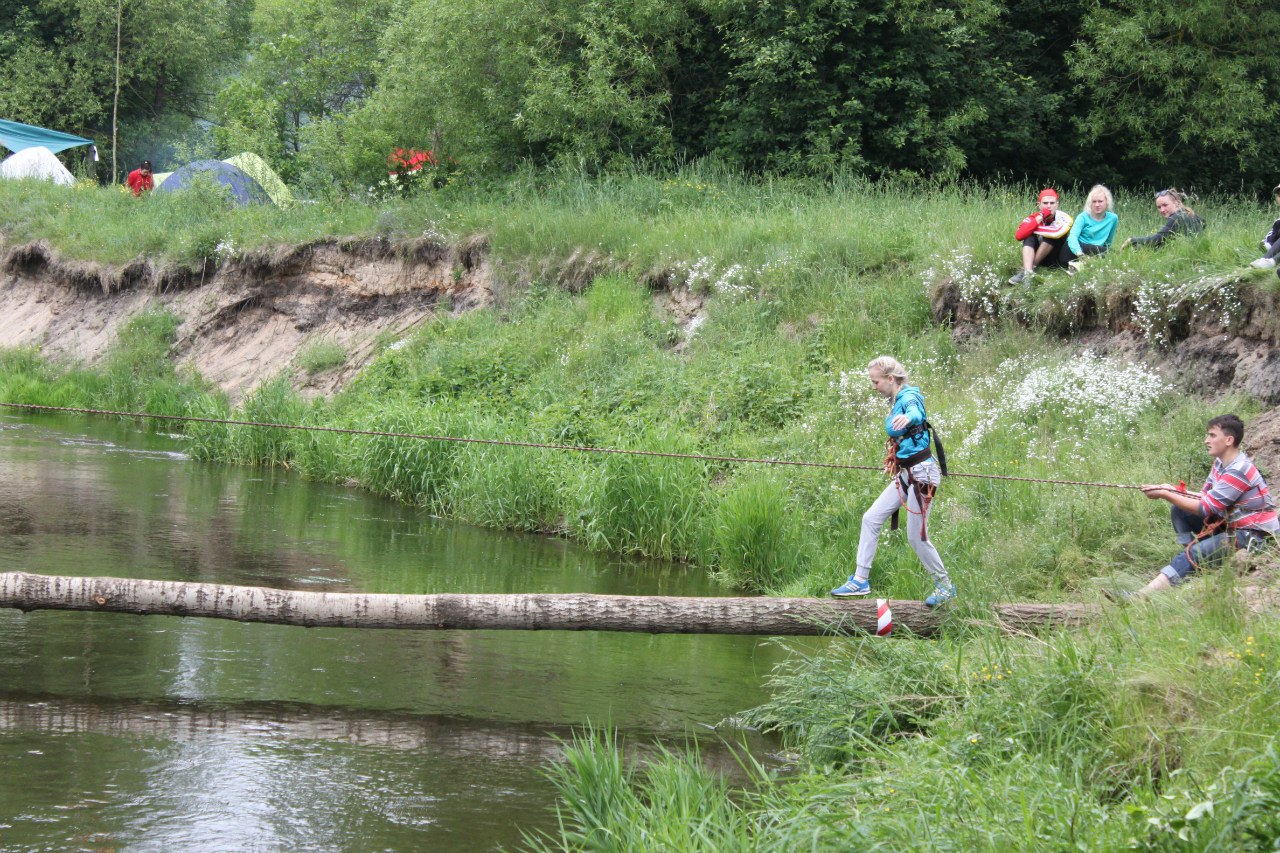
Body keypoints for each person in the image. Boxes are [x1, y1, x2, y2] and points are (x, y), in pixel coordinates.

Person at [831, 356, 957, 607]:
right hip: (906, 474)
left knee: (917, 537)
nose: (873, 386)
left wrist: (909, 418)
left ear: (890, 379)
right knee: (871, 518)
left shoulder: (909, 397)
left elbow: (916, 411)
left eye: (875, 381)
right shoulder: (896, 400)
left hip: (922, 475)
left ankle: (945, 586)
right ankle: (860, 580)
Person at [1133, 414, 1278, 596]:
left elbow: (1205, 508)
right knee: (1180, 510)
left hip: (1255, 536)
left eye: (1212, 435)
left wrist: (1165, 494)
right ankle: (1192, 562)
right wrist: (1171, 489)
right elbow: (1205, 496)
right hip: (1232, 526)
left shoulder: (1238, 470)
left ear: (1229, 440)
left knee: (1195, 552)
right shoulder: (1220, 463)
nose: (1206, 440)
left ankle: (1141, 596)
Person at [1009, 188, 1073, 284]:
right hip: (1039, 256)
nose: (1049, 206)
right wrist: (1040, 218)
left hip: (1055, 257)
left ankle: (1030, 269)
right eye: (1045, 203)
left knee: (1051, 235)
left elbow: (1056, 232)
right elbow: (1019, 235)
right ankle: (1027, 272)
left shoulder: (1063, 217)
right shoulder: (1033, 217)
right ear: (1039, 205)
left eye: (1052, 203)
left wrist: (1035, 227)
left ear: (1057, 204)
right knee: (1028, 236)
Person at [1062, 184, 1118, 275]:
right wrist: (1079, 253)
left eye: (1100, 201)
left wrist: (1106, 253)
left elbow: (1108, 242)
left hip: (1095, 250)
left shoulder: (1113, 218)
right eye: (1094, 201)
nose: (1097, 205)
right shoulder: (1083, 217)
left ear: (1107, 202)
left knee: (1112, 254)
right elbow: (1072, 236)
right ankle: (1079, 265)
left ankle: (1080, 267)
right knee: (1099, 250)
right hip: (1074, 250)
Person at [1121, 188, 1203, 248]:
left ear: (1176, 203)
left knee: (1138, 246)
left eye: (1165, 205)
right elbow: (1203, 223)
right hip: (1196, 249)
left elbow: (1155, 240)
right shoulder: (1191, 214)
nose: (1162, 210)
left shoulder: (1175, 217)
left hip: (1186, 254)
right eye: (1159, 207)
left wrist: (1132, 240)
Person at [1249, 184, 1280, 269]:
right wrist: (1267, 245)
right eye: (1279, 195)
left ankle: (1271, 261)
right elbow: (1272, 235)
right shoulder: (1278, 222)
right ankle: (1264, 261)